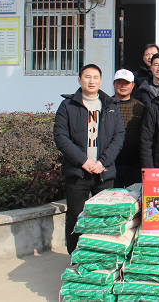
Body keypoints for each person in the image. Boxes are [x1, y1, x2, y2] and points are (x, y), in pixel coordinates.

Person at [53, 64, 125, 254]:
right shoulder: (68, 106)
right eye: (87, 77)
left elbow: (118, 137)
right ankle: (76, 257)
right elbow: (61, 137)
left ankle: (101, 256)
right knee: (75, 216)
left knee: (105, 218)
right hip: (77, 172)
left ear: (101, 81)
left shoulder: (111, 105)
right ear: (79, 80)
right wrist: (83, 161)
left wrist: (103, 163)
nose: (91, 81)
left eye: (95, 77)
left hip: (104, 173)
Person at [112, 69, 145, 187]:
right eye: (119, 83)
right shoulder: (107, 105)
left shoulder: (140, 107)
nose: (123, 86)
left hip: (135, 164)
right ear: (114, 84)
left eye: (126, 83)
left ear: (133, 85)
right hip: (112, 163)